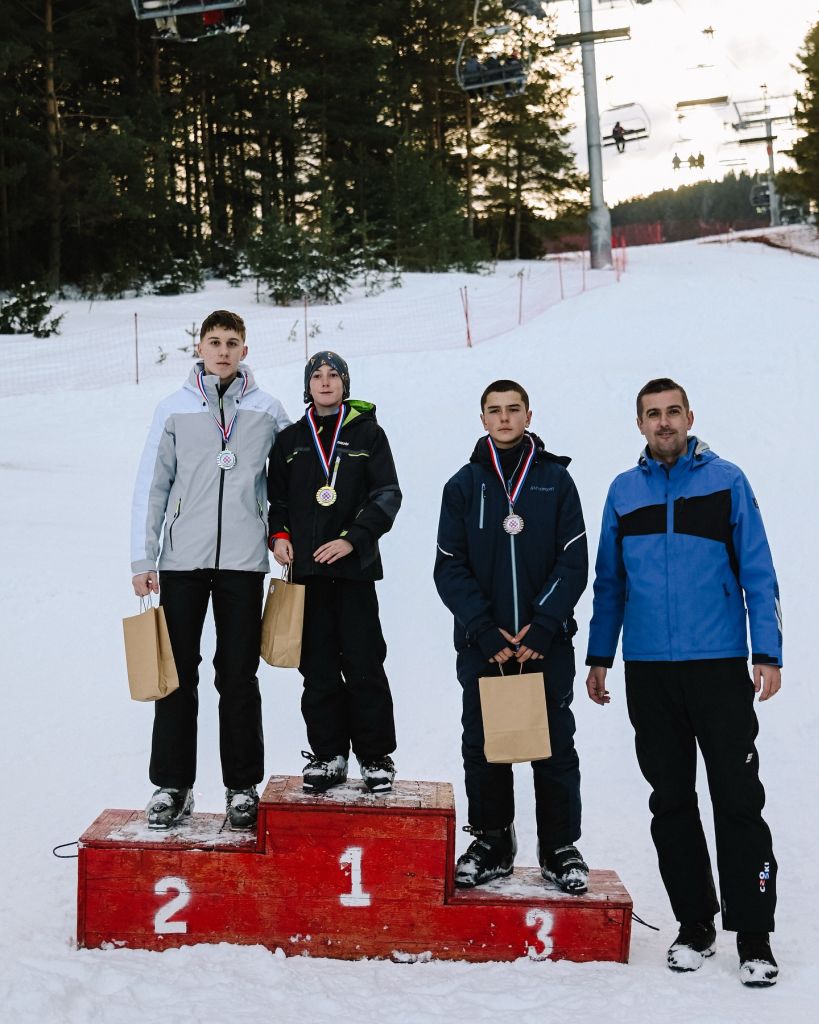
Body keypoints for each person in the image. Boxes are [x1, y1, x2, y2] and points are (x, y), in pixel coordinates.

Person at [585, 378, 781, 988]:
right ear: (639, 424)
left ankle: (754, 936)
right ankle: (694, 925)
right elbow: (610, 582)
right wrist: (600, 656)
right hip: (650, 671)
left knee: (738, 799)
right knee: (670, 801)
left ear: (690, 417)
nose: (664, 422)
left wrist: (767, 652)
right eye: (653, 414)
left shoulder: (727, 481)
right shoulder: (623, 491)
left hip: (718, 666)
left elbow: (758, 571)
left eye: (673, 412)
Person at [131, 310, 291, 831]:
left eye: (232, 342)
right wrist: (143, 557)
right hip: (182, 562)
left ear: (245, 350)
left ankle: (242, 787)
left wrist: (282, 532)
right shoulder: (174, 409)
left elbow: (290, 479)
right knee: (176, 675)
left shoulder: (268, 410)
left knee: (238, 675)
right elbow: (152, 486)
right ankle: (172, 786)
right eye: (214, 341)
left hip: (243, 562)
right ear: (199, 348)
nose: (223, 351)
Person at [434, 381, 589, 892]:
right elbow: (449, 566)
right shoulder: (463, 485)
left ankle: (559, 846)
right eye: (494, 410)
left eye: (513, 409)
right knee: (484, 746)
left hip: (545, 643)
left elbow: (573, 559)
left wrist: (543, 624)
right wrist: (482, 628)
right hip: (485, 645)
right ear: (482, 419)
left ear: (528, 415)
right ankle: (493, 841)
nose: (504, 418)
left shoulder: (555, 481)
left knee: (554, 745)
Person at [267, 352, 401, 794]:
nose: (325, 382)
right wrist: (279, 536)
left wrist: (353, 539)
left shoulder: (368, 434)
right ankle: (329, 754)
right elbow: (277, 501)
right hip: (306, 574)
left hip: (354, 571)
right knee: (318, 667)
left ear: (346, 383)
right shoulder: (290, 440)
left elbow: (387, 494)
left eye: (334, 376)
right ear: (308, 386)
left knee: (364, 662)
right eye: (317, 376)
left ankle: (375, 756)